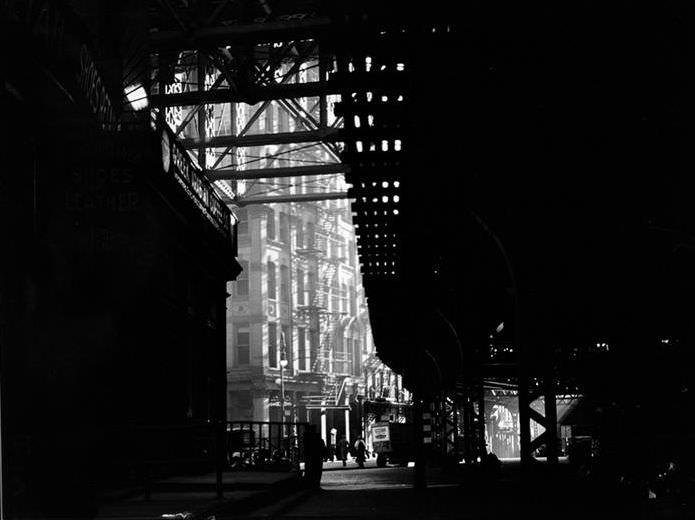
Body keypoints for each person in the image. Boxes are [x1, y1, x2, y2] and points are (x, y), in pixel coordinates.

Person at [302, 425, 325, 490]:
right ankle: (315, 485)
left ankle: (312, 485)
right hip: (317, 457)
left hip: (311, 458)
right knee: (317, 472)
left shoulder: (306, 439)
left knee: (311, 471)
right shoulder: (318, 439)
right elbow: (322, 448)